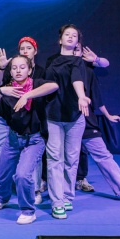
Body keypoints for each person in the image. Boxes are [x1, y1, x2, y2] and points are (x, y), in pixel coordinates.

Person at [0, 56, 58, 224]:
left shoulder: (37, 84)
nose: (18, 70)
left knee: (23, 175)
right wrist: (0, 91)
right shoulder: (8, 90)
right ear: (10, 72)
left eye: (22, 67)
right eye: (14, 68)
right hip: (13, 138)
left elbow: (54, 86)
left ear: (30, 70)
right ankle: (2, 197)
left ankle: (28, 211)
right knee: (1, 174)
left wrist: (27, 96)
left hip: (34, 140)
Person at [71, 46, 120, 203]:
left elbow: (97, 96)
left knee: (103, 155)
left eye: (77, 50)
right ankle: (61, 195)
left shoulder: (88, 71)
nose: (74, 52)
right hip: (65, 122)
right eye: (71, 50)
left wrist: (108, 115)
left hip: (87, 120)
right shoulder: (58, 68)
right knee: (63, 159)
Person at [0, 37, 46, 203]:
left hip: (32, 130)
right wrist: (2, 69)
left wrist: (28, 95)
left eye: (29, 48)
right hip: (10, 124)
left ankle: (33, 191)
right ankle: (2, 190)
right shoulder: (10, 74)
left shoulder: (39, 77)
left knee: (26, 169)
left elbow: (53, 86)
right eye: (22, 48)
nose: (25, 51)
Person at [44, 24, 91, 219]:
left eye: (74, 35)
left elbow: (76, 78)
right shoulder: (51, 61)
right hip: (53, 116)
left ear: (77, 42)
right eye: (67, 34)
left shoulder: (78, 61)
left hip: (74, 117)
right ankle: (57, 203)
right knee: (55, 159)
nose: (71, 37)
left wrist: (81, 96)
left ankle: (67, 196)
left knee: (71, 159)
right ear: (60, 39)